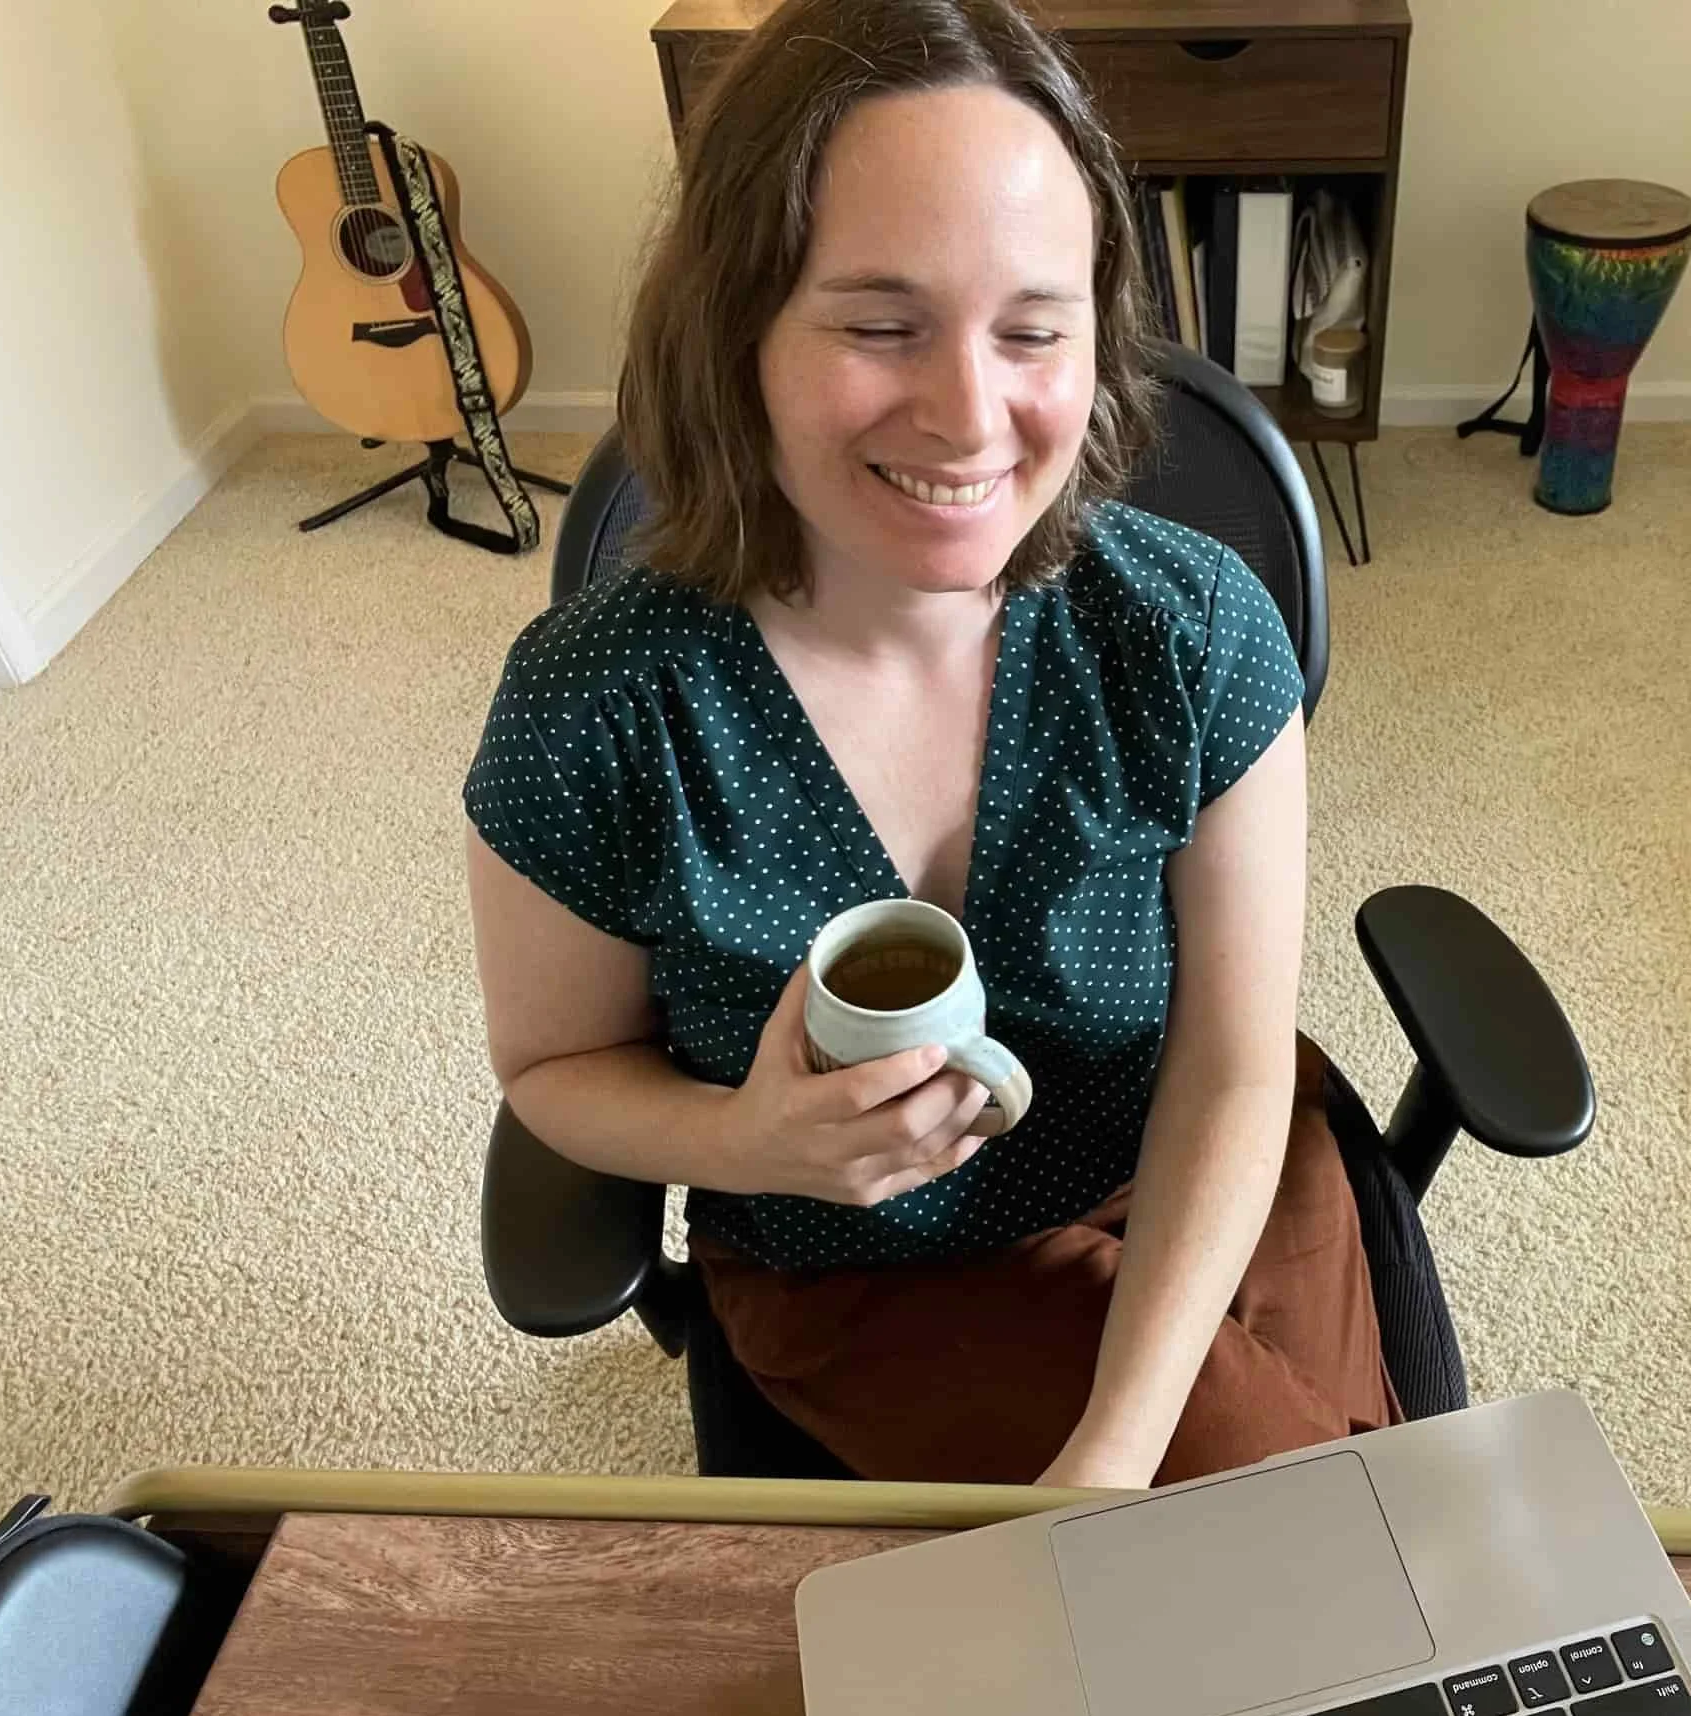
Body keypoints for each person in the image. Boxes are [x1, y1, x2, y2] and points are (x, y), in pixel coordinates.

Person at [463, 0, 1395, 1490]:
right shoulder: (593, 711)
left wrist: (1111, 1449)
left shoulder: (1192, 629)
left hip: (1195, 1165)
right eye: (881, 325)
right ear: (737, 331)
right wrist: (759, 1142)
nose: (972, 417)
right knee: (1326, 1552)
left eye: (1034, 329)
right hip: (862, 1270)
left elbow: (1231, 1070)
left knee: (1362, 1530)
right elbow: (552, 1066)